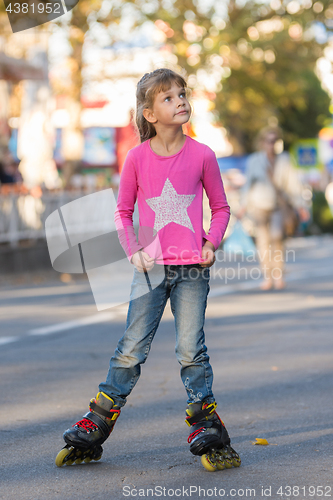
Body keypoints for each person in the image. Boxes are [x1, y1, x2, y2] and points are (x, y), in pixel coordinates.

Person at [56, 68, 240, 472]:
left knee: (191, 349)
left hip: (192, 268)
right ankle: (98, 421)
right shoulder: (137, 157)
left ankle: (205, 421)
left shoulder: (203, 154)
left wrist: (212, 242)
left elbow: (222, 208)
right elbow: (122, 213)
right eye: (169, 97)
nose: (180, 101)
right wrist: (134, 251)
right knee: (131, 347)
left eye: (182, 93)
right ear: (150, 113)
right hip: (149, 268)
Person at [239, 126, 308, 290]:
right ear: (262, 142)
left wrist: (301, 205)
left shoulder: (285, 159)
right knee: (263, 242)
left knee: (277, 239)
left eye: (275, 141)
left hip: (278, 206)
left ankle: (278, 275)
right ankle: (267, 276)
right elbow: (247, 185)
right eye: (269, 141)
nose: (272, 144)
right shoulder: (255, 160)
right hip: (259, 206)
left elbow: (293, 184)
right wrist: (243, 205)